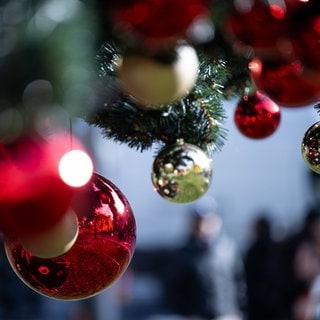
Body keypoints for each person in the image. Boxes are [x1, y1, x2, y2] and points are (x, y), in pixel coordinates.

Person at [165, 198, 247, 320]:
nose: (203, 225)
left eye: (207, 220)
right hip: (197, 315)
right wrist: (185, 312)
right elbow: (174, 288)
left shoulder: (229, 248)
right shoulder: (184, 253)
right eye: (199, 221)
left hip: (226, 314)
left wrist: (240, 308)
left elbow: (239, 280)